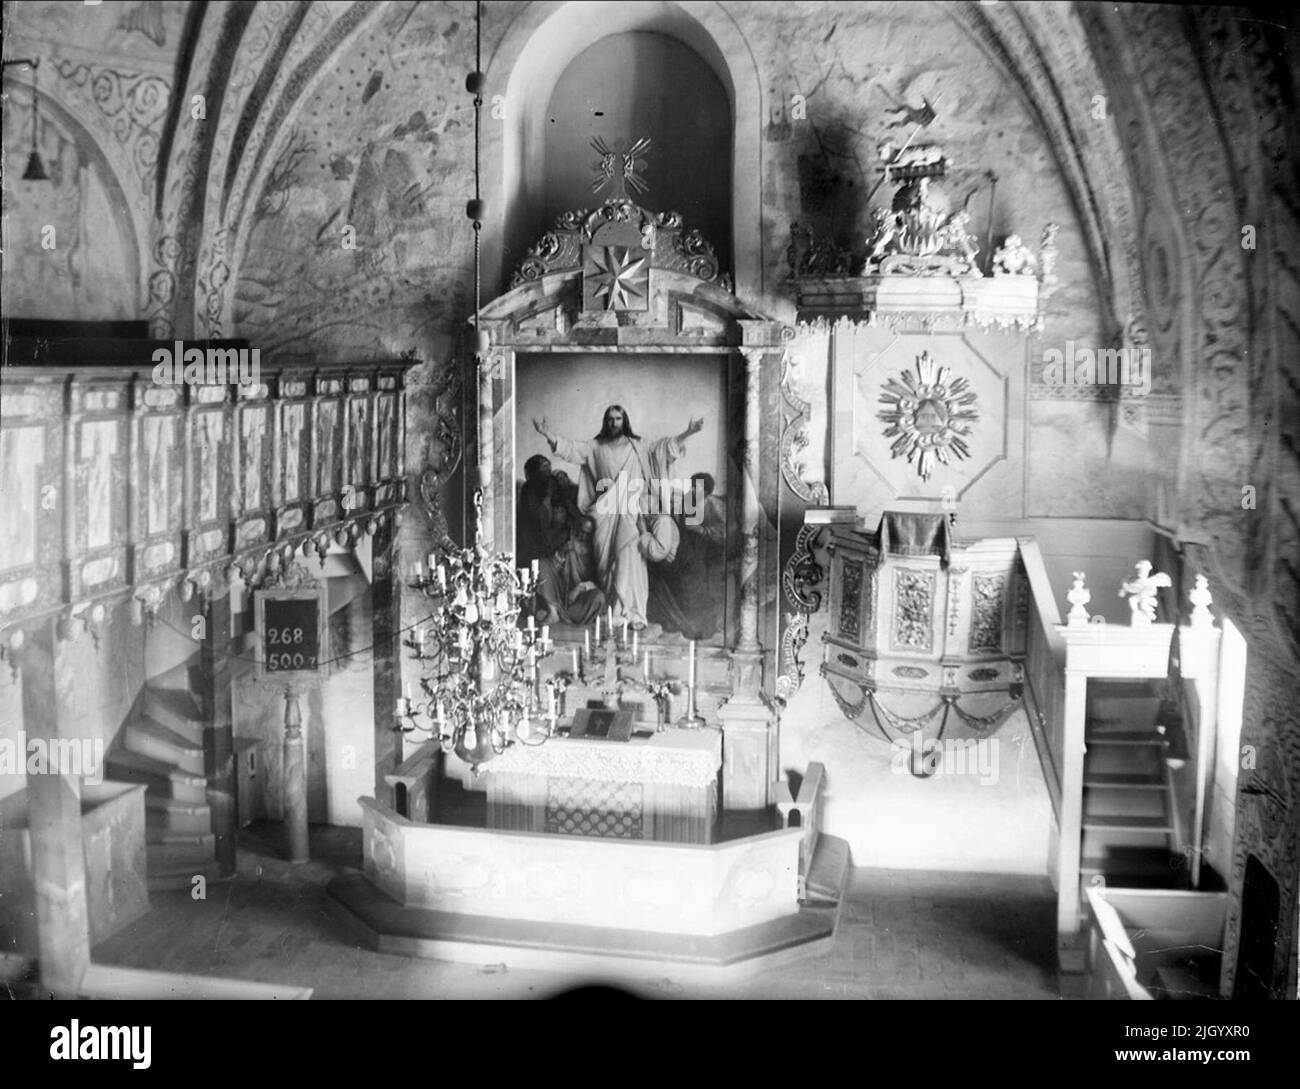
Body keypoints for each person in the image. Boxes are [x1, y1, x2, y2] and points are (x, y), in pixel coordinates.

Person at [532, 405, 703, 630]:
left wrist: (688, 433)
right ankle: (613, 611)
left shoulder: (638, 446)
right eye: (610, 419)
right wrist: (547, 434)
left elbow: (664, 449)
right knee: (605, 564)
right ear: (605, 421)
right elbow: (571, 449)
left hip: (630, 510)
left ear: (625, 420)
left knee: (630, 559)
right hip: (604, 511)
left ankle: (633, 613)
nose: (614, 423)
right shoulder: (595, 446)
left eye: (618, 418)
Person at [517, 454, 604, 626]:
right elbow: (537, 521)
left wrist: (580, 588)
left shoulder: (594, 546)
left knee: (598, 598)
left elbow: (597, 578)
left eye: (548, 467)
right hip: (551, 564)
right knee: (541, 564)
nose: (548, 471)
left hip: (577, 594)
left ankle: (559, 612)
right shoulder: (530, 490)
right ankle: (552, 611)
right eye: (543, 468)